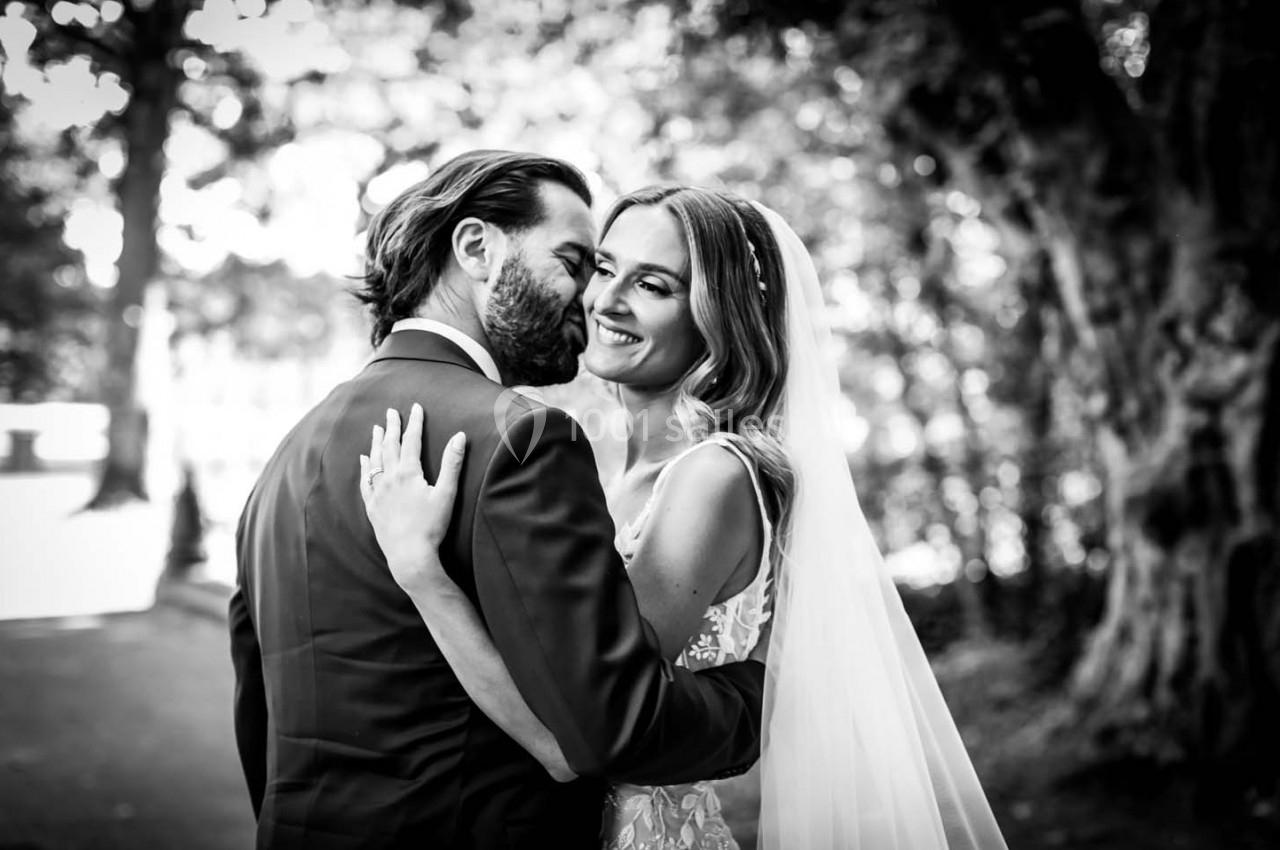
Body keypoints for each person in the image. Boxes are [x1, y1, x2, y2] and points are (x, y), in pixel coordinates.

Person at [359, 186, 1012, 850]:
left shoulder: (712, 476)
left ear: (716, 319)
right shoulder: (611, 471)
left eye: (652, 285)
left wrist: (422, 576)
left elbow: (575, 739)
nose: (606, 300)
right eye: (603, 268)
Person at [230, 152, 767, 850]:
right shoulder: (523, 439)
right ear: (477, 248)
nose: (589, 299)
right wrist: (762, 696)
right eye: (576, 263)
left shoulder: (286, 460)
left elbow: (258, 717)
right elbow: (609, 725)